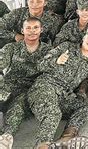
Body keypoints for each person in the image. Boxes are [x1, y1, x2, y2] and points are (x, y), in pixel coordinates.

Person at [28, 26, 88, 148]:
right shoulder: (67, 47)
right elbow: (40, 65)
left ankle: (66, 138)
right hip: (45, 86)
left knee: (85, 108)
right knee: (53, 113)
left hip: (64, 95)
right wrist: (56, 61)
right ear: (83, 37)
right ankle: (42, 146)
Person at [0, 18, 51, 149]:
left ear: (41, 30)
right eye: (28, 28)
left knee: (17, 107)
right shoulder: (11, 48)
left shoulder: (49, 51)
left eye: (35, 28)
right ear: (22, 31)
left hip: (30, 88)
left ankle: (6, 137)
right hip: (9, 84)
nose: (32, 31)